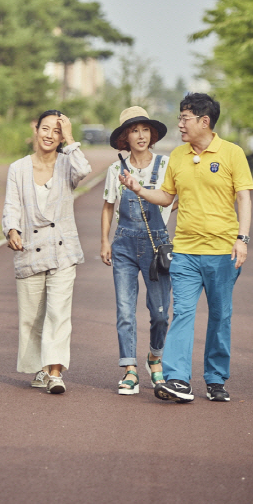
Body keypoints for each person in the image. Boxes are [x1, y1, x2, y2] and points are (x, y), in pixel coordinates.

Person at [119, 93, 253, 403]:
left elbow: (244, 198)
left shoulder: (232, 154)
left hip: (223, 252)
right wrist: (140, 189)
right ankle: (177, 379)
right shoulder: (178, 156)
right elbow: (167, 197)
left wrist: (242, 239)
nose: (179, 124)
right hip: (185, 252)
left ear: (204, 122)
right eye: (180, 118)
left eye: (185, 118)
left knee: (220, 316)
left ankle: (215, 378)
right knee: (182, 314)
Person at [2, 110, 91, 394]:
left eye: (57, 130)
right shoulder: (18, 168)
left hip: (63, 250)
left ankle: (55, 372)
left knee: (58, 313)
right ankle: (40, 368)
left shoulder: (68, 164)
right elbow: (12, 205)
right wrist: (11, 230)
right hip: (29, 250)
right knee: (32, 316)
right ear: (35, 128)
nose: (50, 135)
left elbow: (85, 171)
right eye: (46, 128)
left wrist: (71, 138)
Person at [101, 106, 174, 395]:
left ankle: (154, 357)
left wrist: (167, 213)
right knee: (125, 310)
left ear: (152, 134)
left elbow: (173, 198)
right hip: (124, 246)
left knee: (160, 313)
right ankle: (130, 369)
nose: (141, 135)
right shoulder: (115, 170)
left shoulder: (166, 165)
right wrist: (105, 241)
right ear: (124, 138)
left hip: (157, 246)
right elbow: (108, 206)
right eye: (134, 130)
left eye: (145, 129)